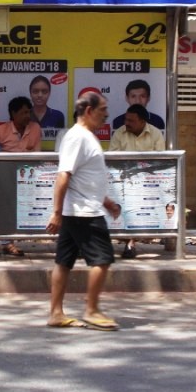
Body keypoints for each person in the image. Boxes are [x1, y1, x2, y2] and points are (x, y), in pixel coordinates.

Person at [45, 90, 122, 331]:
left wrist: (106, 202)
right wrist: (56, 212)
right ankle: (92, 310)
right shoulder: (78, 137)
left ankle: (56, 313)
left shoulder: (86, 136)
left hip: (81, 208)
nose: (106, 116)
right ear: (88, 111)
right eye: (102, 111)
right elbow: (63, 176)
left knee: (64, 262)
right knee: (103, 259)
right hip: (84, 213)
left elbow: (86, 178)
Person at [0, 96, 42, 258]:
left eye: (28, 112)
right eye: (23, 113)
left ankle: (8, 243)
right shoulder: (2, 130)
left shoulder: (35, 128)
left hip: (25, 177)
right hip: (1, 178)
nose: (27, 116)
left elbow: (36, 157)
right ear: (13, 114)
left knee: (15, 203)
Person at [108, 104, 165, 258]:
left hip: (148, 183)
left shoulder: (156, 134)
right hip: (125, 182)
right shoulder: (119, 133)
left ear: (142, 121)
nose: (126, 123)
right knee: (124, 203)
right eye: (126, 119)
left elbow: (160, 162)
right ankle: (129, 241)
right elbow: (112, 159)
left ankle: (133, 241)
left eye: (131, 120)